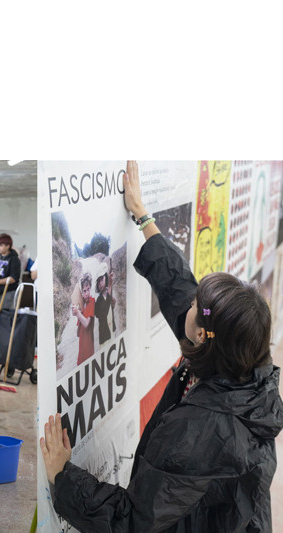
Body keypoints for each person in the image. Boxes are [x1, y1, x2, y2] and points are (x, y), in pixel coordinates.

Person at [40, 160, 283, 532]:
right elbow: (180, 288)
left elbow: (134, 523)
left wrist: (63, 478)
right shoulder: (238, 359)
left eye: (195, 308)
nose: (188, 301)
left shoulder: (198, 432)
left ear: (202, 335)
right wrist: (142, 217)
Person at [71, 271, 95, 365]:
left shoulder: (91, 302)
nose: (87, 293)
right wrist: (77, 312)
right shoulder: (82, 306)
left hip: (88, 349)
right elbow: (78, 333)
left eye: (88, 289)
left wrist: (78, 314)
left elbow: (86, 323)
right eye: (84, 291)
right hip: (81, 350)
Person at [93, 262, 116, 346]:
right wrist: (110, 285)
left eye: (101, 279)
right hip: (105, 338)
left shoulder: (108, 294)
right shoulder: (98, 300)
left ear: (106, 278)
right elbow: (104, 311)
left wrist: (113, 305)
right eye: (98, 281)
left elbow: (110, 308)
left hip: (111, 331)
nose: (100, 283)